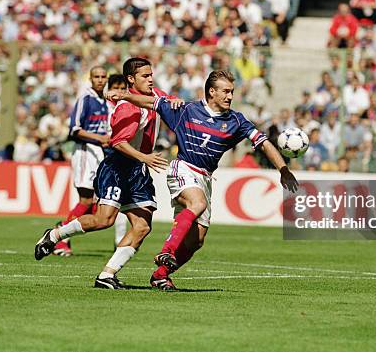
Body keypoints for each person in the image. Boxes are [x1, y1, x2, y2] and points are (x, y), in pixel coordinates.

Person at [112, 69, 299, 291]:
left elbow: (264, 142)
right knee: (197, 203)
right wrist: (124, 95)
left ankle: (160, 275)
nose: (230, 96)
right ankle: (167, 251)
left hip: (205, 177)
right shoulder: (186, 110)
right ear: (211, 92)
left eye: (232, 92)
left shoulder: (237, 121)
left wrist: (283, 169)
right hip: (182, 168)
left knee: (196, 241)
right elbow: (151, 102)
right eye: (225, 91)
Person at [34, 58, 181, 290]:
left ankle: (107, 275)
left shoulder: (150, 95)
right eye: (145, 76)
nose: (151, 79)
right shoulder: (127, 108)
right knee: (104, 220)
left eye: (151, 74)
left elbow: (168, 101)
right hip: (117, 167)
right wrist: (145, 157)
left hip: (138, 170)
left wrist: (176, 101)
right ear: (131, 79)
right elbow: (118, 142)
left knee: (142, 226)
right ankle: (54, 235)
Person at [52, 66, 114, 256]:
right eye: (97, 77)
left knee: (95, 205)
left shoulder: (104, 101)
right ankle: (59, 238)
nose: (100, 80)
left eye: (103, 77)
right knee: (86, 200)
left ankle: (61, 230)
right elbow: (75, 129)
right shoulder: (85, 99)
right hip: (85, 152)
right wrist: (100, 138)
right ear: (91, 78)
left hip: (99, 153)